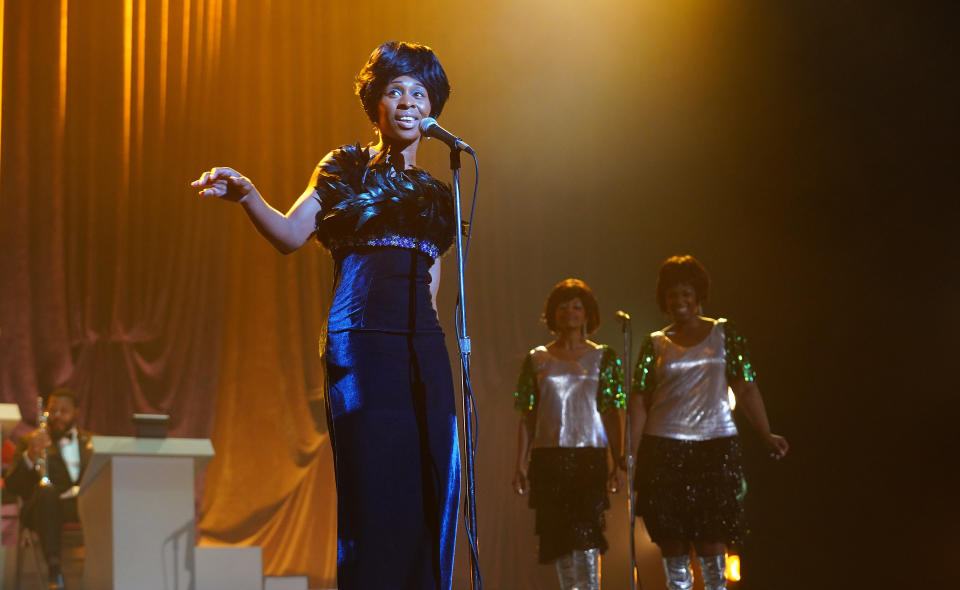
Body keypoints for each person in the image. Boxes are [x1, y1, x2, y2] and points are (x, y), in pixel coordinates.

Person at [191, 41, 460, 589]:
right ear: (375, 104)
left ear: (432, 109)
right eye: (394, 91)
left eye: (419, 92)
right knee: (375, 482)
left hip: (423, 349)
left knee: (429, 477)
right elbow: (291, 234)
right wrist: (248, 195)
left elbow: (432, 290)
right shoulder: (345, 167)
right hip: (360, 345)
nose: (407, 102)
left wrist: (436, 355)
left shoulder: (438, 195)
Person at [627, 255, 789, 590]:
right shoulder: (654, 343)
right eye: (672, 295)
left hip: (715, 447)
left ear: (698, 294)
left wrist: (765, 432)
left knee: (713, 539)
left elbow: (745, 387)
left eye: (685, 293)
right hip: (665, 448)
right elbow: (640, 399)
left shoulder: (724, 333)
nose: (679, 301)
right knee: (671, 541)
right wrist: (629, 451)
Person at [512, 278, 625, 590]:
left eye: (576, 306)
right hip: (548, 460)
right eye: (563, 307)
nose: (570, 313)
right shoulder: (537, 359)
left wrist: (619, 459)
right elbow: (527, 415)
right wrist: (520, 463)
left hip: (589, 458)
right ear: (553, 314)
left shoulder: (604, 357)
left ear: (588, 313)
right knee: (559, 539)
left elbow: (613, 412)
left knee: (586, 536)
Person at [5, 388, 93, 590]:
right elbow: (12, 485)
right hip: (40, 508)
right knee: (47, 492)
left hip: (78, 506)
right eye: (53, 410)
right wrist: (31, 455)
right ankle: (54, 569)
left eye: (64, 411)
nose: (58, 416)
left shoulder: (90, 441)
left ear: (76, 413)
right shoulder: (30, 440)